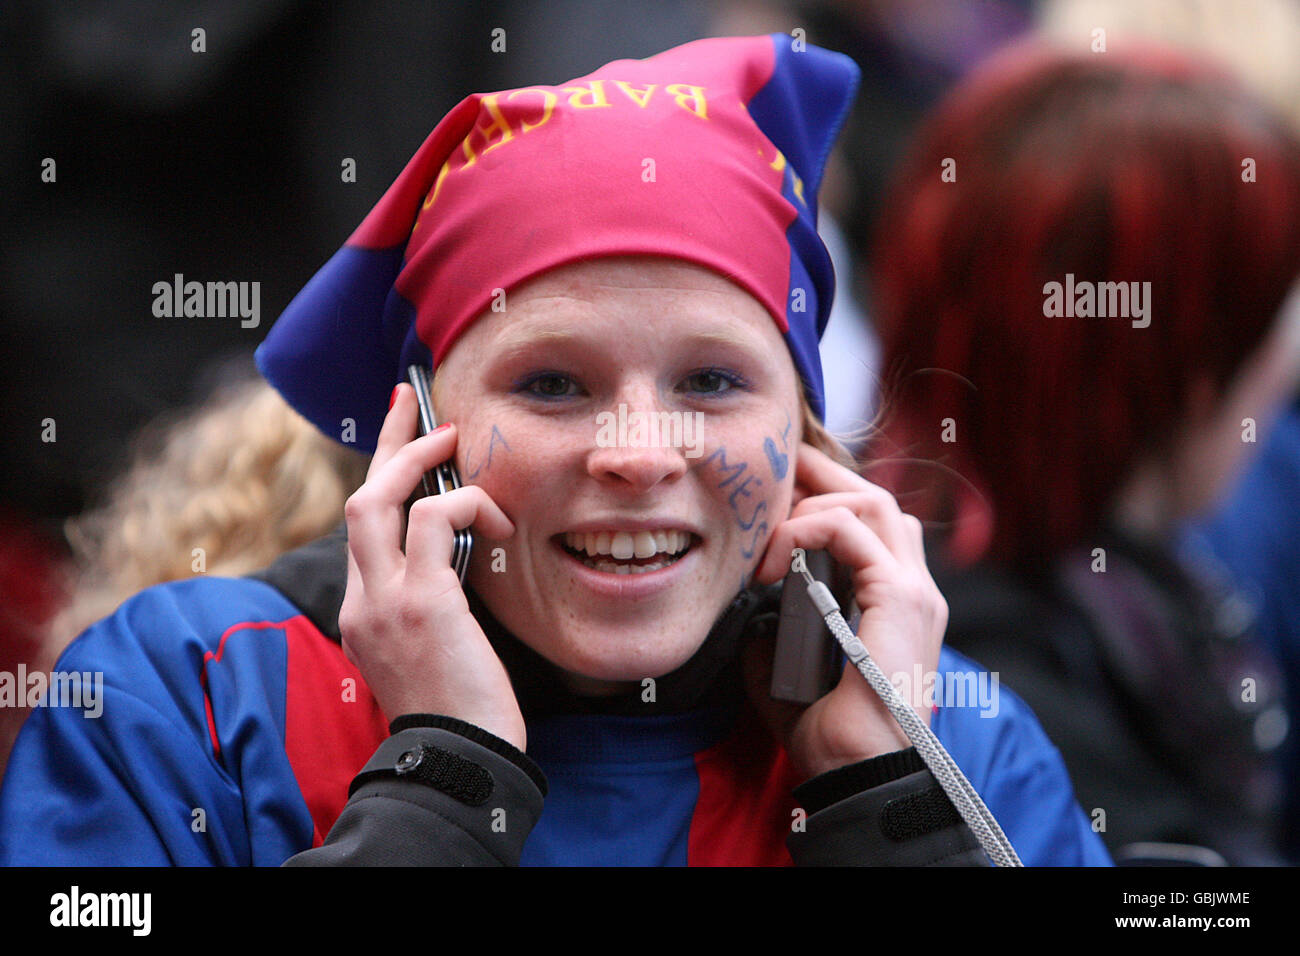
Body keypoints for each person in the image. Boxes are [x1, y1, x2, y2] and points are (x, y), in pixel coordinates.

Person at [0, 34, 1108, 866]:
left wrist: (887, 798)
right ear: (416, 426)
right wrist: (438, 777)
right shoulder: (178, 696)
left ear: (806, 433)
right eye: (550, 383)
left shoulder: (953, 734)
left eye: (712, 381)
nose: (637, 451)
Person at [868, 40, 1300, 864]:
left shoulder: (1130, 600)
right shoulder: (1004, 699)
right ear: (1194, 372)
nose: (1286, 358)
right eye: (1273, 309)